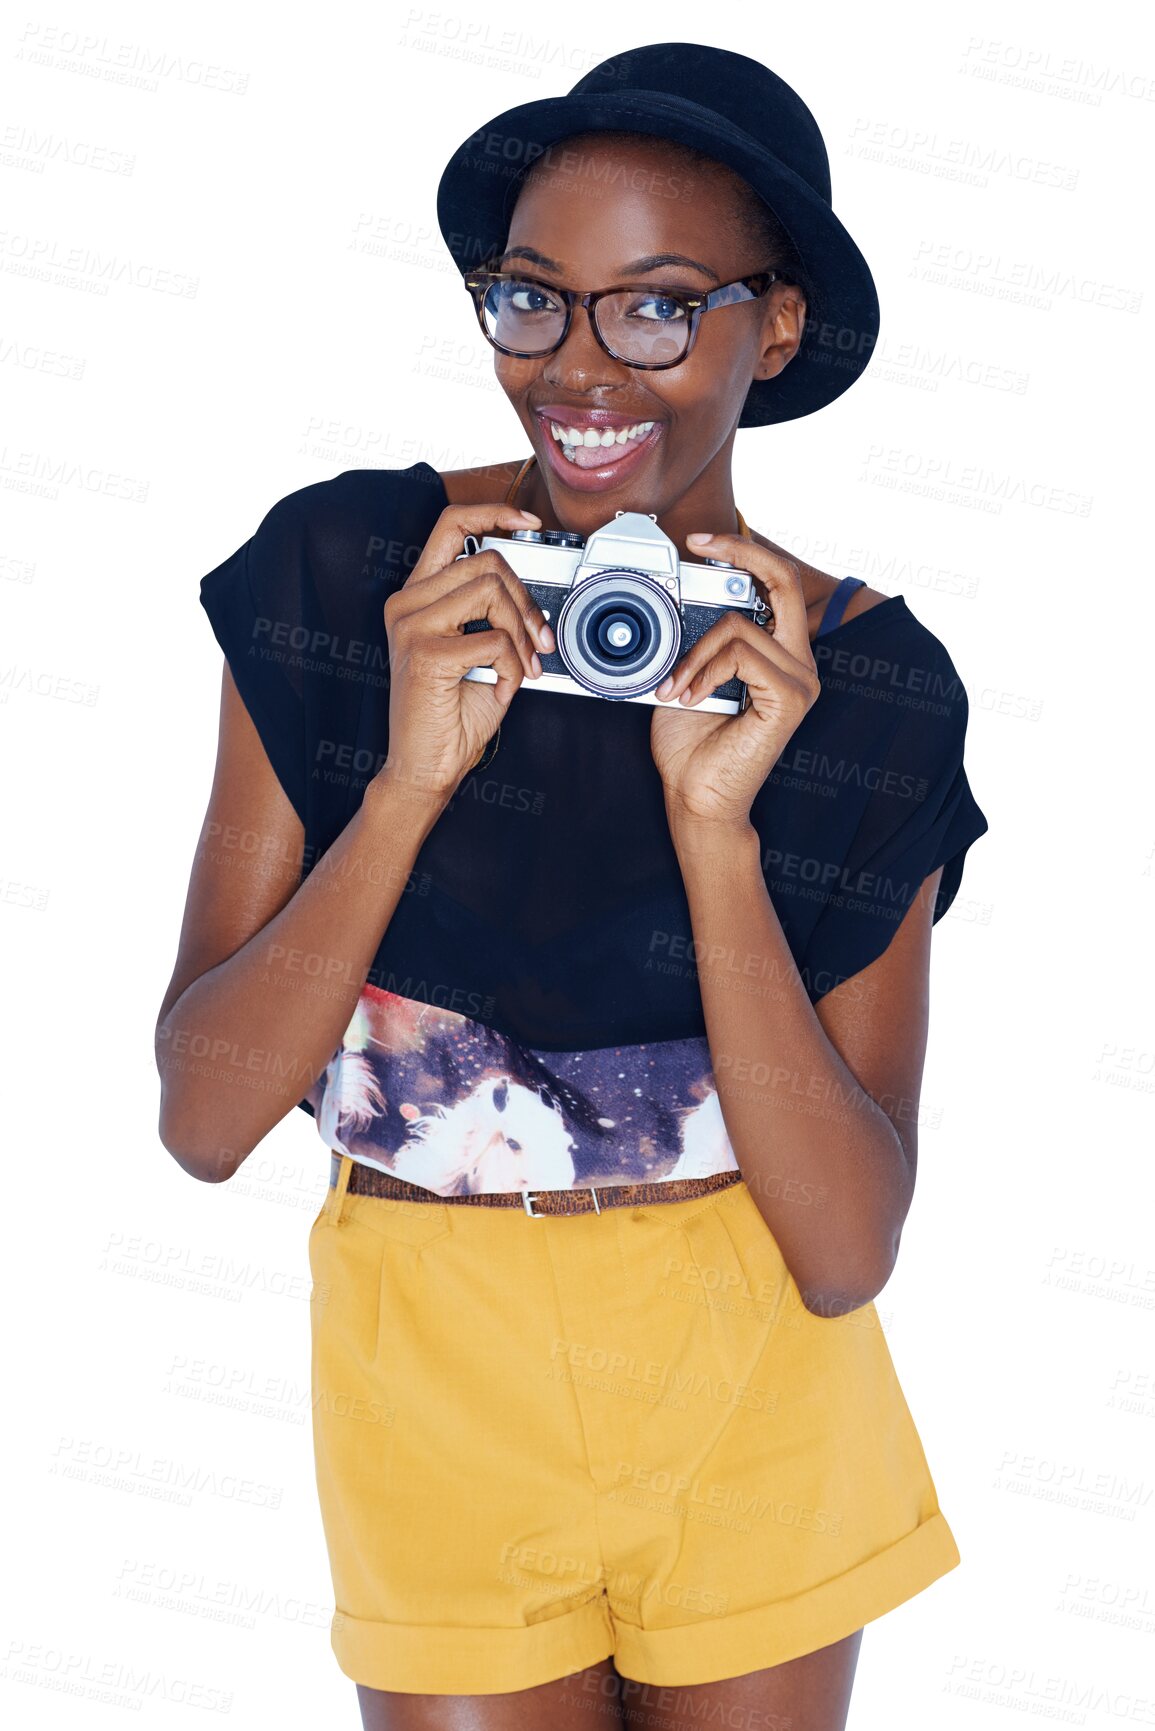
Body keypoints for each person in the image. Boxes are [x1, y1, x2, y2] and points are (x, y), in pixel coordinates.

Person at [156, 41, 989, 1731]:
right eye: (534, 300)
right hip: (428, 1385)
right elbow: (207, 1118)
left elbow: (843, 1250)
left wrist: (719, 834)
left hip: (748, 1380)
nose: (581, 368)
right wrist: (405, 783)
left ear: (778, 325)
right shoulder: (351, 580)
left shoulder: (866, 688)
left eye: (660, 306)